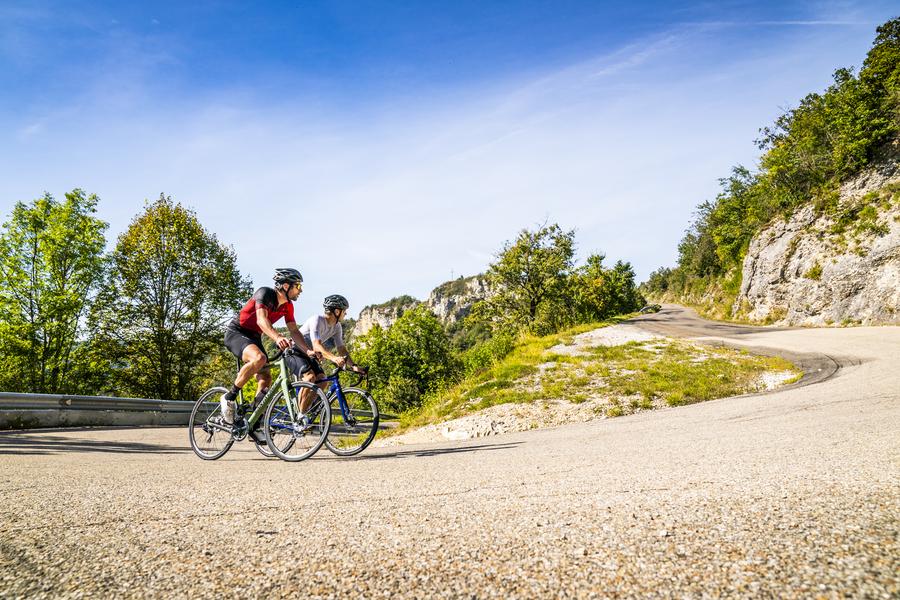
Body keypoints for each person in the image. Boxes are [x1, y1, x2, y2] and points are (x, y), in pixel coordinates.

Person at [220, 268, 316, 426]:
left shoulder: (288, 306)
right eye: (298, 286)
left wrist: (308, 350)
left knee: (266, 378)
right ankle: (229, 397)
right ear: (286, 286)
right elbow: (261, 320)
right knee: (259, 358)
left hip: (254, 337)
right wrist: (278, 337)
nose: (300, 290)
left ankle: (254, 421)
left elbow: (294, 331)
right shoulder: (264, 294)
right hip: (237, 332)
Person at [290, 294, 365, 413]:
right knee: (310, 378)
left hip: (310, 354)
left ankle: (305, 412)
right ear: (336, 311)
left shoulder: (337, 327)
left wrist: (353, 366)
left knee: (322, 381)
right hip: (295, 351)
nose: (346, 314)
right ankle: (299, 417)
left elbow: (342, 349)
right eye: (344, 311)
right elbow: (317, 345)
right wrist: (334, 358)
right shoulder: (317, 320)